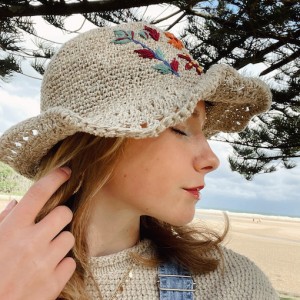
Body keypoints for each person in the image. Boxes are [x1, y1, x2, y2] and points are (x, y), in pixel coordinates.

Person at [0, 22, 278, 300]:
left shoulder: (234, 285)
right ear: (100, 139)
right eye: (180, 127)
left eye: (204, 133)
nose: (211, 160)